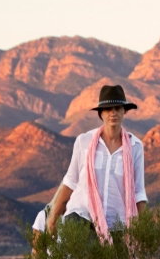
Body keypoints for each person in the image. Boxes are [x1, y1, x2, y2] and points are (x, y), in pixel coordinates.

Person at [47, 84, 147, 238]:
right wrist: (54, 217)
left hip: (116, 223)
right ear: (101, 113)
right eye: (107, 109)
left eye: (118, 108)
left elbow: (138, 190)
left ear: (124, 111)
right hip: (81, 216)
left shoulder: (135, 147)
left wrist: (142, 228)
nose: (113, 113)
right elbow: (71, 181)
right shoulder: (84, 141)